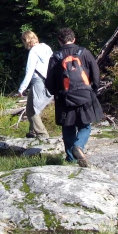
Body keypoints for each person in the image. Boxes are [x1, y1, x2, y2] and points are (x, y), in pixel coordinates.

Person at [45, 27, 103, 167]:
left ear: (59, 41)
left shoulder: (56, 57)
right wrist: (93, 90)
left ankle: (71, 158)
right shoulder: (84, 52)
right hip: (85, 95)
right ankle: (79, 146)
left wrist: (55, 93)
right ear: (74, 39)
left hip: (64, 98)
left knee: (68, 127)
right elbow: (96, 74)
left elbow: (49, 81)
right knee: (85, 126)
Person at [16, 31, 53, 139]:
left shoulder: (33, 51)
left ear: (25, 40)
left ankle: (43, 135)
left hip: (38, 80)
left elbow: (30, 70)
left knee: (32, 110)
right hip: (49, 79)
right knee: (30, 106)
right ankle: (32, 132)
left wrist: (22, 88)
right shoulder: (46, 47)